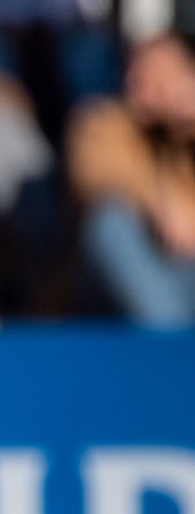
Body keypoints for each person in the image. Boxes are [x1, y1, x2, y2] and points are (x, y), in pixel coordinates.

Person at [71, 33, 195, 328]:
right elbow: (98, 174)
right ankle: (168, 343)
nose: (140, 79)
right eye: (137, 69)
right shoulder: (105, 121)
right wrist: (163, 203)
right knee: (110, 221)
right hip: (133, 284)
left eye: (161, 72)